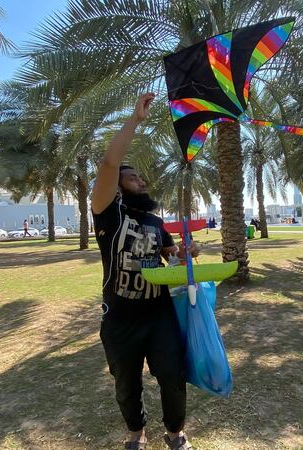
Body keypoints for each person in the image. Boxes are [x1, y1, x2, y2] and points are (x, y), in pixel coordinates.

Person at [92, 93, 195, 450]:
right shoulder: (109, 213)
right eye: (133, 177)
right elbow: (108, 163)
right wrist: (135, 119)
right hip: (120, 317)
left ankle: (175, 432)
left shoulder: (154, 219)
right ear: (118, 186)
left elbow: (170, 255)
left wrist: (184, 253)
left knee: (172, 375)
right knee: (126, 384)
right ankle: (136, 432)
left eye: (140, 177)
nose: (142, 181)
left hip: (158, 313)